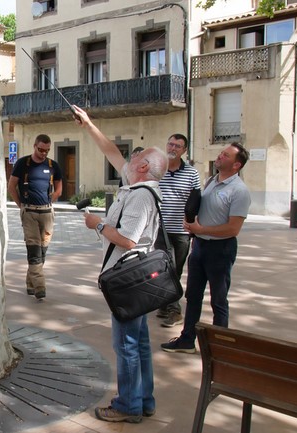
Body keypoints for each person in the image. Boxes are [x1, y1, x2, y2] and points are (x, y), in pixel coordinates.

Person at [73, 105, 168, 423]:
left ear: (143, 166)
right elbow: (111, 151)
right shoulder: (140, 185)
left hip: (129, 280)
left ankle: (128, 405)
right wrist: (88, 124)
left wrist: (97, 225)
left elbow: (128, 240)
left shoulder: (142, 195)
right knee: (139, 342)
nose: (130, 160)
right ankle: (144, 399)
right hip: (137, 278)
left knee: (126, 343)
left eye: (137, 157)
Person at [161, 142, 251, 354]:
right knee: (193, 296)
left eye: (225, 155)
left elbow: (233, 228)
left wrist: (201, 228)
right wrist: (192, 223)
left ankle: (220, 347)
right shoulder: (211, 180)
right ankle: (187, 340)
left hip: (220, 250)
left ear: (236, 165)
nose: (219, 156)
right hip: (199, 246)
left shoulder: (239, 191)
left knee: (218, 299)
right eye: (221, 153)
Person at [7, 134, 63, 299]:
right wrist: (21, 205)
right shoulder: (23, 163)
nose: (44, 153)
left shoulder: (53, 165)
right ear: (34, 146)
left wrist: (49, 201)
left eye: (47, 150)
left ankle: (30, 283)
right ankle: (39, 286)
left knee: (42, 251)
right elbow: (11, 186)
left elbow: (59, 189)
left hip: (47, 213)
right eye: (40, 150)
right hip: (29, 212)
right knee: (33, 249)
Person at [154, 134, 201, 327]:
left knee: (176, 269)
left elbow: (196, 199)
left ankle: (169, 307)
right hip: (159, 230)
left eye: (177, 146)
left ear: (184, 150)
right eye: (170, 144)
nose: (172, 148)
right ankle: (171, 308)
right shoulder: (157, 170)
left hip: (181, 231)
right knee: (164, 268)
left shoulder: (192, 174)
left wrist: (191, 222)